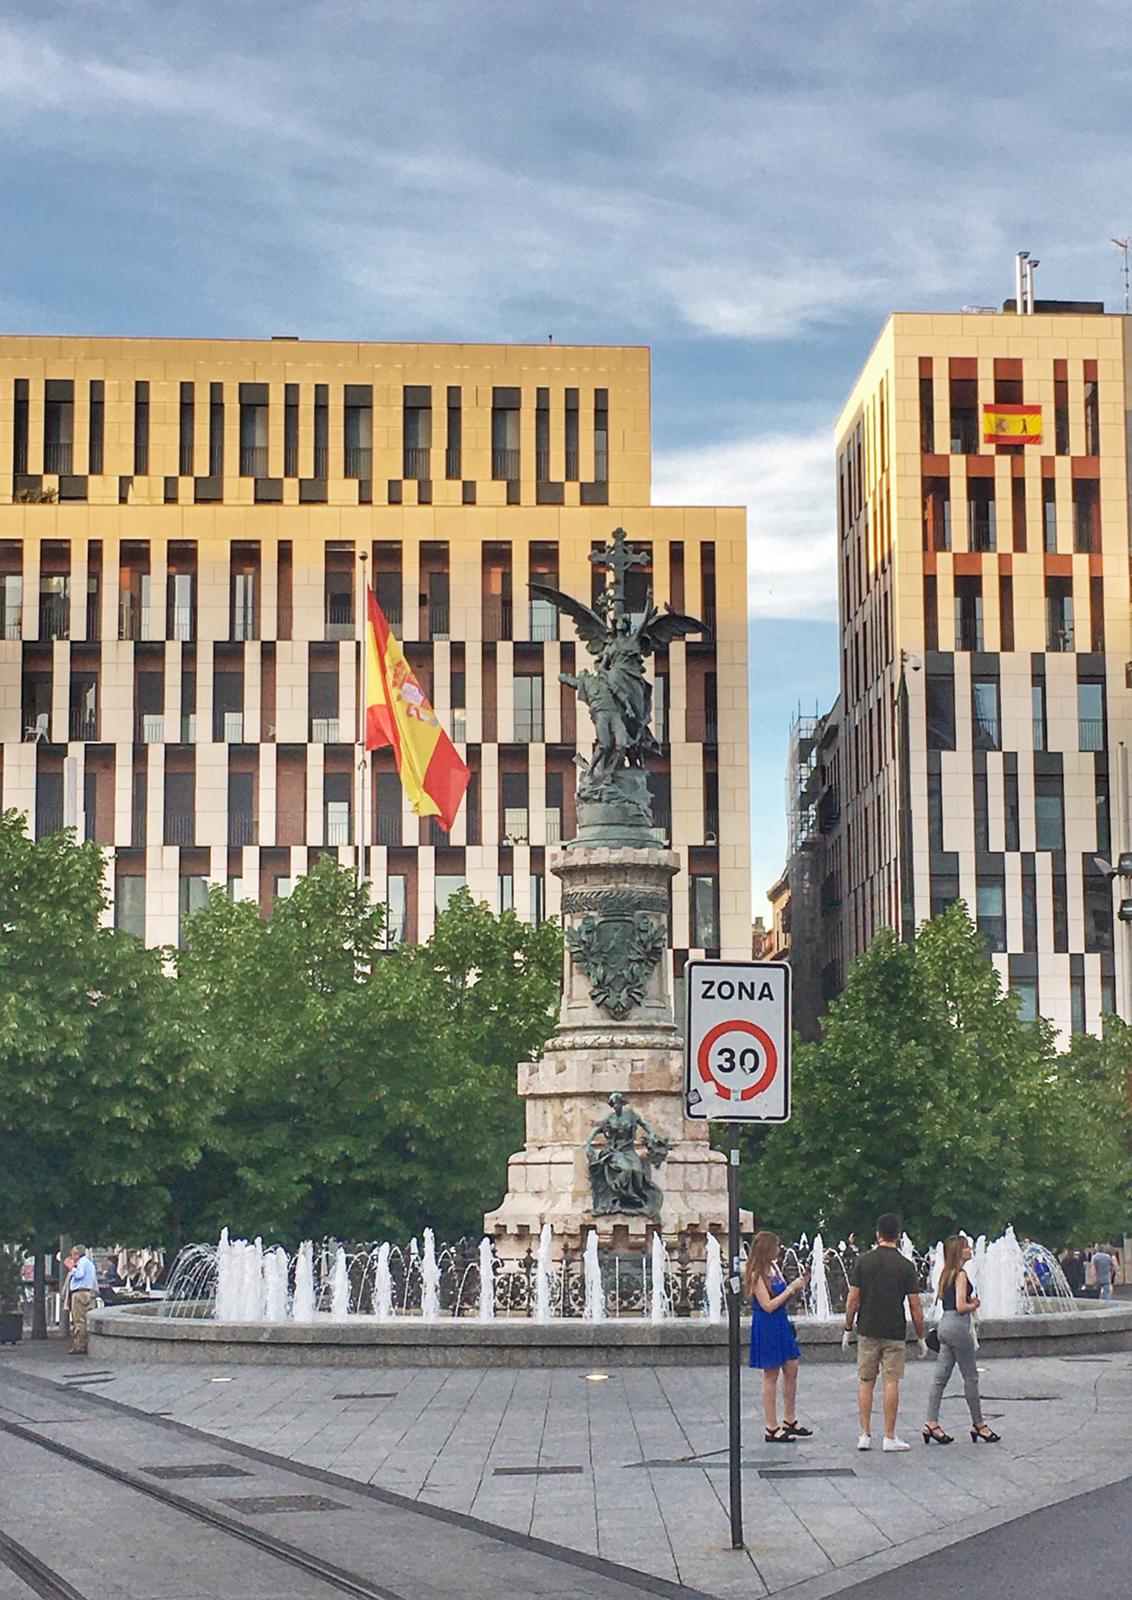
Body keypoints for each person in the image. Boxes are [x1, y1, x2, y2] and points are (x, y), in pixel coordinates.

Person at [842, 1213, 927, 1452]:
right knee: (891, 1381)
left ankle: (865, 1434)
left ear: (878, 1234)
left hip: (867, 1328)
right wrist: (920, 1336)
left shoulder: (863, 1261)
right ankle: (889, 1436)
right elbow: (915, 1305)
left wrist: (848, 1328)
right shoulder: (906, 1266)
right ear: (898, 1235)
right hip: (894, 1330)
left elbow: (853, 1298)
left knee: (866, 1380)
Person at [923, 1236, 1000, 1445]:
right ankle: (979, 1424)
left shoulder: (946, 1274)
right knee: (971, 1377)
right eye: (966, 1247)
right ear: (958, 1252)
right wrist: (973, 1304)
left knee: (940, 1378)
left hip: (944, 1326)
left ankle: (931, 1422)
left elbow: (948, 1302)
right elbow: (960, 1306)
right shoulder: (961, 1275)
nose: (970, 1249)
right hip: (958, 1326)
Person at [744, 1231, 811, 1443]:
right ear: (767, 1249)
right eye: (777, 1246)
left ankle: (789, 1418)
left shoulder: (773, 1268)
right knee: (771, 1373)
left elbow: (781, 1297)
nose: (780, 1250)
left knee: (791, 1367)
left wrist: (800, 1283)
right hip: (767, 1324)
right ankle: (771, 1426)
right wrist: (791, 1288)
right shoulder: (756, 1274)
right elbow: (768, 1305)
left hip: (781, 1322)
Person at [67, 1246, 98, 1356]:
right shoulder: (90, 1263)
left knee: (79, 1321)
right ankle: (87, 1343)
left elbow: (79, 1274)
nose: (71, 1256)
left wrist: (72, 1268)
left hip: (79, 1293)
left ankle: (80, 1345)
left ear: (77, 1254)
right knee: (87, 1319)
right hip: (88, 1292)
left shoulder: (82, 1263)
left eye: (72, 1254)